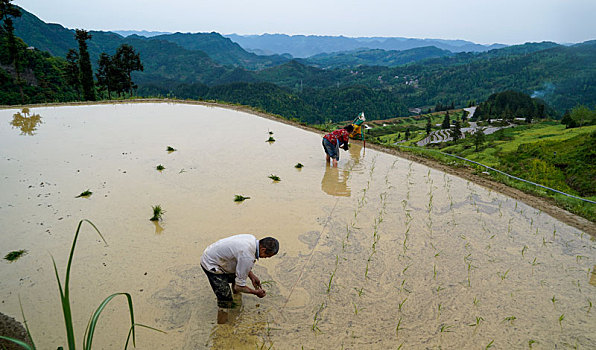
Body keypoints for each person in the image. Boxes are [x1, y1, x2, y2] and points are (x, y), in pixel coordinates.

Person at [201, 234, 279, 323]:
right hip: (210, 264)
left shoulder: (251, 239)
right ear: (263, 249)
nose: (266, 258)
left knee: (237, 277)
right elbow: (238, 287)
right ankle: (222, 326)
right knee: (225, 299)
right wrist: (255, 292)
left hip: (217, 255)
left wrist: (252, 276)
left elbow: (240, 259)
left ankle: (237, 301)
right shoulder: (247, 256)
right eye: (268, 256)